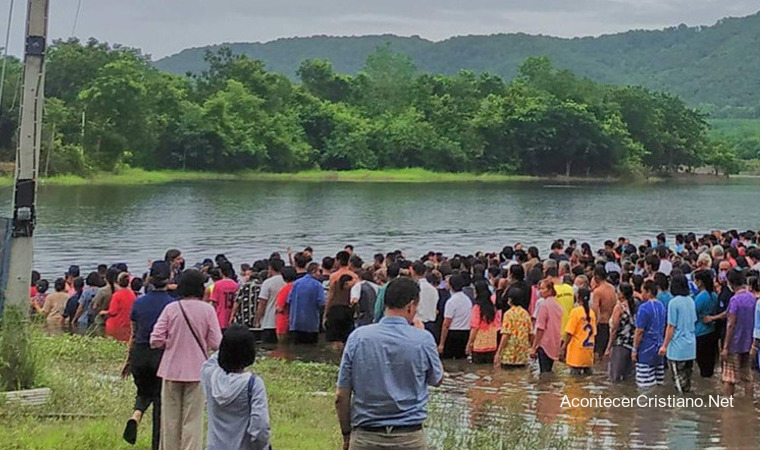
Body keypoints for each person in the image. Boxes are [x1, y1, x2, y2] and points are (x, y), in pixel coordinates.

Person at [335, 277, 443, 450]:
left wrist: (346, 434)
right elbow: (436, 379)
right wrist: (423, 336)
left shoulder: (358, 337)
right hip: (409, 438)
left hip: (366, 436)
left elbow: (341, 395)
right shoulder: (423, 339)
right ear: (410, 305)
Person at [151, 269, 223, 450]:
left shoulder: (171, 308)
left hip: (170, 369)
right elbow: (216, 343)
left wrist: (170, 342)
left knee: (170, 419)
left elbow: (155, 340)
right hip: (198, 370)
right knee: (193, 419)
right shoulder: (208, 310)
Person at [122, 261, 175, 449]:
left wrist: (128, 360)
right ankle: (156, 445)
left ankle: (136, 416)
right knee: (160, 402)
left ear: (150, 278)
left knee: (144, 392)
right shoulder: (172, 305)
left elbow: (133, 334)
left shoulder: (139, 302)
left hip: (140, 354)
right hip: (160, 356)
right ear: (168, 279)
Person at [202, 325, 271, 450]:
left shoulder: (209, 375)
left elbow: (212, 360)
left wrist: (227, 345)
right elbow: (260, 426)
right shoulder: (253, 384)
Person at [658, 273, 696, 394]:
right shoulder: (691, 300)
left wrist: (664, 346)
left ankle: (679, 410)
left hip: (677, 349)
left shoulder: (673, 303)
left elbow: (671, 326)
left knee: (678, 384)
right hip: (690, 346)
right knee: (687, 382)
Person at [720, 268, 755, 397]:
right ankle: (749, 403)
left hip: (734, 343)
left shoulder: (735, 300)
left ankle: (727, 407)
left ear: (731, 283)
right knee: (747, 376)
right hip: (748, 342)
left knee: (729, 379)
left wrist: (725, 347)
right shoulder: (751, 297)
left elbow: (731, 324)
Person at [632, 281, 666, 389]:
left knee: (645, 387)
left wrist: (634, 349)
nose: (641, 294)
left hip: (646, 349)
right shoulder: (662, 306)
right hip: (659, 349)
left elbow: (639, 331)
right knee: (659, 383)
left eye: (643, 291)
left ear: (649, 292)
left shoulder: (644, 308)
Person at [287, 262, 327, 344]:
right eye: (319, 271)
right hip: (311, 324)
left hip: (295, 323)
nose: (320, 274)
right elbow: (321, 303)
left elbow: (289, 300)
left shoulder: (296, 283)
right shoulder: (318, 285)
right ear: (314, 271)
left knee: (296, 348)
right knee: (311, 347)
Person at [530, 279, 563, 373]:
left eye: (543, 288)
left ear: (550, 290)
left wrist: (534, 347)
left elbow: (540, 328)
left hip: (544, 343)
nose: (540, 291)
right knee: (548, 370)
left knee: (543, 372)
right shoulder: (557, 305)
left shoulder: (544, 305)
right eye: (540, 288)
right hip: (555, 342)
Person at [561, 287, 596, 375]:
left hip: (576, 353)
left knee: (574, 383)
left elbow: (569, 332)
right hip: (588, 352)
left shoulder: (575, 312)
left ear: (578, 297)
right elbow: (594, 333)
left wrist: (563, 347)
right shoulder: (592, 313)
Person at [605, 283, 636, 381]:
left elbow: (614, 329)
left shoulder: (619, 307)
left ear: (622, 294)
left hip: (620, 344)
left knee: (615, 377)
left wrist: (608, 347)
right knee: (628, 378)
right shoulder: (634, 305)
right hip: (631, 344)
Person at [466, 280, 502, 364]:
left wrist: (470, 343)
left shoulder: (477, 307)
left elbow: (475, 327)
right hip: (492, 343)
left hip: (479, 344)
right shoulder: (493, 306)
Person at [495, 290, 532, 369]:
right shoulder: (525, 313)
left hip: (510, 353)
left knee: (507, 377)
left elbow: (506, 334)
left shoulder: (508, 314)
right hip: (522, 352)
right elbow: (530, 333)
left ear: (511, 300)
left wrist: (498, 352)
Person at [438, 274, 472, 359]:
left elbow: (446, 323)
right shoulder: (467, 300)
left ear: (451, 285)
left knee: (449, 360)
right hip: (466, 333)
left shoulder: (451, 302)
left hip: (453, 334)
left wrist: (441, 343)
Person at [693, 269, 719, 378]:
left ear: (700, 282)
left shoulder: (700, 297)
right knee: (710, 363)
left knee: (702, 364)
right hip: (712, 332)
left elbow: (694, 314)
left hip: (700, 333)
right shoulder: (714, 295)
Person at [255, 259, 286, 344]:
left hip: (269, 321)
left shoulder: (268, 283)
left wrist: (257, 320)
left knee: (268, 349)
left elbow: (262, 304)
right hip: (284, 321)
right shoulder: (287, 282)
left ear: (270, 268)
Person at [104, 272, 137, 342]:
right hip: (128, 323)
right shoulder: (132, 294)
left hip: (117, 324)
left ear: (118, 282)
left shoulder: (116, 295)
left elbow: (112, 312)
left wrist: (103, 312)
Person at [592, 265, 616, 358]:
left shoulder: (598, 291)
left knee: (598, 353)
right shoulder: (612, 288)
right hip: (611, 322)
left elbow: (595, 309)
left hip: (602, 323)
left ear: (596, 277)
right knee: (607, 351)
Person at [326, 274, 356, 346]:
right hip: (347, 311)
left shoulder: (334, 285)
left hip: (334, 311)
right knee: (346, 338)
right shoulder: (352, 287)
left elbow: (329, 298)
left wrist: (325, 313)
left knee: (334, 339)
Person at [210, 261, 239, 331]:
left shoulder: (217, 285)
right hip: (231, 318)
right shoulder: (236, 285)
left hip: (220, 317)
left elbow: (214, 303)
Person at [412, 261, 438, 335]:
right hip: (431, 324)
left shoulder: (414, 288)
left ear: (413, 271)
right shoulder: (433, 289)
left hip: (417, 323)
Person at [275, 266, 297, 343]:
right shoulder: (297, 287)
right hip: (294, 321)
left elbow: (280, 308)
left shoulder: (285, 289)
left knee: (282, 347)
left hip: (284, 322)